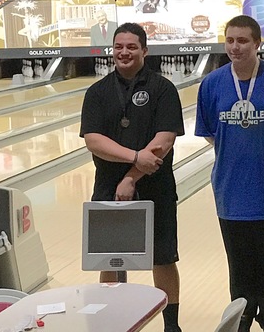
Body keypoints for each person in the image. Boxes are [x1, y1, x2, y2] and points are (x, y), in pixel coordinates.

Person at [195, 15, 264, 332]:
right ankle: (242, 316)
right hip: (231, 191)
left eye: (243, 40)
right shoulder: (212, 84)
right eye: (230, 40)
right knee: (239, 264)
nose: (235, 46)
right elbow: (210, 133)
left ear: (257, 44)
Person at [80, 22, 185, 332]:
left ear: (144, 50)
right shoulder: (97, 92)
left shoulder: (163, 89)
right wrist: (135, 158)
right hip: (108, 187)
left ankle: (171, 326)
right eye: (118, 47)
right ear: (112, 50)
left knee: (163, 258)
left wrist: (131, 177)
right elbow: (93, 140)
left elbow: (163, 141)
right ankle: (113, 323)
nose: (124, 52)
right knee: (110, 260)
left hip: (157, 186)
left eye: (131, 47)